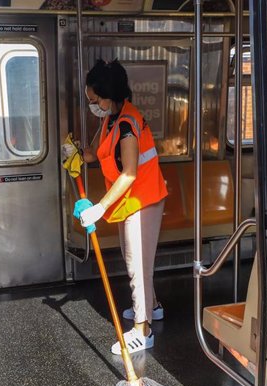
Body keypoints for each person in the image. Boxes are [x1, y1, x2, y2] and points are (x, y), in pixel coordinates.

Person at [62, 59, 168, 355]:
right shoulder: (110, 118)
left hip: (143, 200)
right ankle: (153, 307)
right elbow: (96, 154)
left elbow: (130, 173)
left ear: (108, 96)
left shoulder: (126, 125)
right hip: (128, 201)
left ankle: (142, 331)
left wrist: (99, 207)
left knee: (138, 266)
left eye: (95, 100)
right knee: (133, 258)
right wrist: (77, 153)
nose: (92, 105)